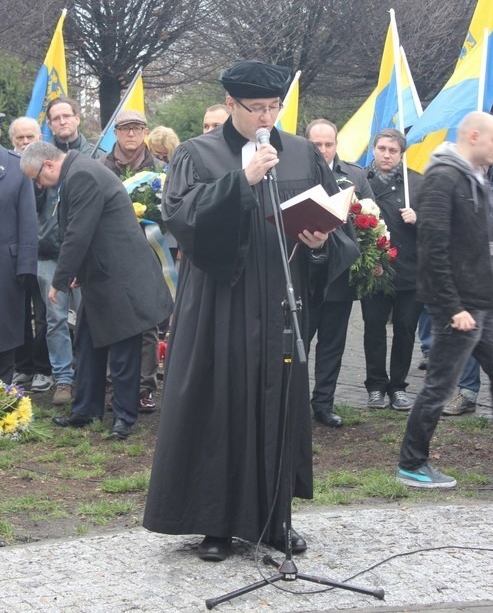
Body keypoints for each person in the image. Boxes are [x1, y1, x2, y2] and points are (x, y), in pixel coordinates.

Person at [143, 60, 358, 562]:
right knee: (220, 404)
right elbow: (183, 219)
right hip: (221, 303)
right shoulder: (197, 154)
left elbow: (338, 224)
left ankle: (274, 519)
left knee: (278, 407)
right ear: (231, 106)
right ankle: (215, 523)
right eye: (255, 108)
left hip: (281, 303)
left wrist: (322, 241)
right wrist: (241, 179)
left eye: (273, 108)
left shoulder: (303, 153)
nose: (266, 118)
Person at [20, 142, 172, 439]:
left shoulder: (82, 175)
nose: (37, 184)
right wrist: (78, 271)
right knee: (88, 342)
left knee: (124, 350)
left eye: (36, 178)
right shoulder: (77, 171)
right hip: (101, 276)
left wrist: (60, 279)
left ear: (49, 165)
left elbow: (79, 233)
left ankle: (124, 417)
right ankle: (86, 409)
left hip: (121, 278)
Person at [397, 111, 493, 488]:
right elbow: (434, 249)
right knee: (440, 387)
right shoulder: (443, 177)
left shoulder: (474, 177)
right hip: (458, 308)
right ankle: (412, 464)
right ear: (474, 136)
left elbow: (486, 247)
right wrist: (452, 308)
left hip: (483, 304)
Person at [305, 118, 373, 427]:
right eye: (316, 145)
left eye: (328, 144)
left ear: (336, 144)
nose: (322, 150)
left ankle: (324, 402)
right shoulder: (290, 172)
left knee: (332, 343)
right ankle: (292, 402)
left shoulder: (355, 175)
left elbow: (372, 218)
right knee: (298, 341)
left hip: (339, 275)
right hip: (303, 274)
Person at [443, 133, 493, 415]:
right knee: (469, 336)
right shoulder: (460, 179)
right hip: (469, 274)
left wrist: (477, 218)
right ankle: (467, 393)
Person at [101, 109, 166, 413]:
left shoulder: (161, 169)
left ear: (145, 132)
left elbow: (170, 211)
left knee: (149, 323)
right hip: (111, 254)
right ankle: (116, 386)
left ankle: (144, 387)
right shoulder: (101, 167)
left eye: (137, 128)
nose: (131, 134)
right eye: (125, 128)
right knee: (114, 320)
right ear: (115, 132)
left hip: (149, 253)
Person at [35, 97, 96, 404]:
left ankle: (89, 374)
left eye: (66, 116)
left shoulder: (95, 155)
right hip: (49, 252)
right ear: (49, 124)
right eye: (55, 118)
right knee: (55, 318)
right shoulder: (42, 157)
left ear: (77, 118)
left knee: (89, 315)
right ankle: (63, 379)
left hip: (86, 252)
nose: (61, 122)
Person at [362, 128, 423, 410]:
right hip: (374, 269)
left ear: (401, 154)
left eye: (393, 150)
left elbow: (438, 226)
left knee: (405, 329)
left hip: (410, 271)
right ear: (374, 149)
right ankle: (375, 385)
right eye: (382, 148)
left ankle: (398, 386)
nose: (386, 155)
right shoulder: (360, 180)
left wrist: (418, 218)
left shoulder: (417, 183)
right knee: (373, 329)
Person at [8, 118, 52, 388]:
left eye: (30, 137)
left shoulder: (52, 165)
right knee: (18, 314)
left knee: (45, 314)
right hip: (16, 255)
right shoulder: (10, 169)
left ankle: (43, 367)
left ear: (40, 137)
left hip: (47, 251)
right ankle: (23, 365)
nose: (25, 142)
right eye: (20, 138)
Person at [0, 123, 38, 383]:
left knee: (5, 336)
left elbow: (28, 221)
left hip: (5, 270)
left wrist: (26, 267)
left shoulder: (16, 166)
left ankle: (4, 404)